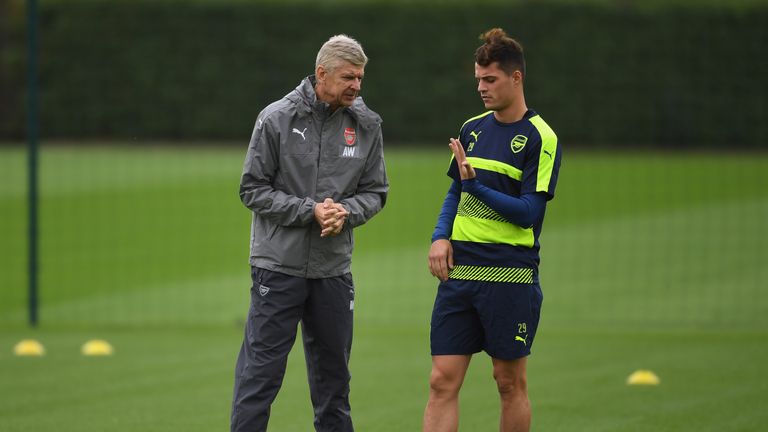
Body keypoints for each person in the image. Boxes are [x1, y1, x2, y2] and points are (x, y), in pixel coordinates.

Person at [231, 34, 388, 432]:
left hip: (333, 272)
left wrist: (346, 213)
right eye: (349, 77)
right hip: (277, 269)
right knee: (259, 380)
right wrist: (310, 211)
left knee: (334, 385)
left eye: (360, 78)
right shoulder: (276, 118)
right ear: (322, 74)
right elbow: (252, 189)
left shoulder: (366, 125)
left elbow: (375, 192)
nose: (357, 85)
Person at [423, 28, 561, 432]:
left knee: (508, 383)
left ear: (516, 78)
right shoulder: (473, 128)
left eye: (490, 79)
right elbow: (455, 192)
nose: (481, 87)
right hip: (459, 272)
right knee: (440, 380)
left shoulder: (541, 138)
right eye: (478, 79)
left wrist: (475, 185)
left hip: (509, 275)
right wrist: (439, 236)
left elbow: (527, 213)